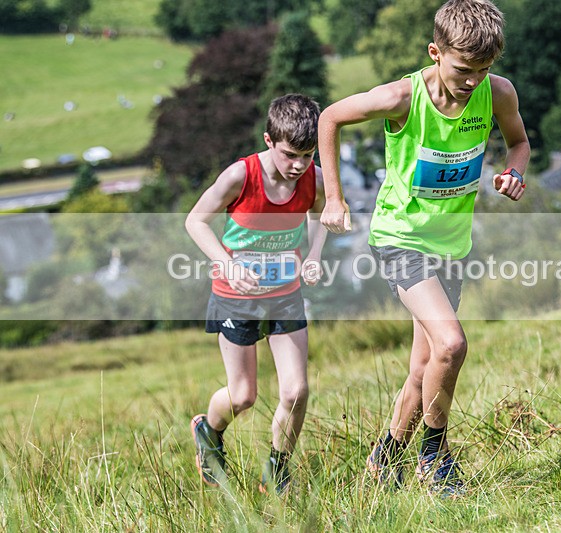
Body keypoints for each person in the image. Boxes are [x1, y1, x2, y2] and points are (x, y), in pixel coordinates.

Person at [318, 0, 529, 497]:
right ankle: (435, 459)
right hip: (400, 241)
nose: (474, 80)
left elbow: (519, 143)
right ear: (435, 52)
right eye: (463, 68)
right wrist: (333, 196)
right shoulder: (401, 97)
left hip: (452, 247)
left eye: (484, 69)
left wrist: (515, 172)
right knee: (452, 344)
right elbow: (329, 118)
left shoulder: (497, 93)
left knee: (425, 367)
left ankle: (384, 459)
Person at [185, 94, 327, 494]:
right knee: (243, 395)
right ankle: (208, 431)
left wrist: (314, 254)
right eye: (290, 154)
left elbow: (320, 213)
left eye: (308, 154)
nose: (299, 164)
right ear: (269, 140)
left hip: (285, 293)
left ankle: (277, 472)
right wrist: (227, 263)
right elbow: (195, 221)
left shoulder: (313, 178)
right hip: (236, 297)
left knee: (296, 391)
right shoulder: (240, 176)